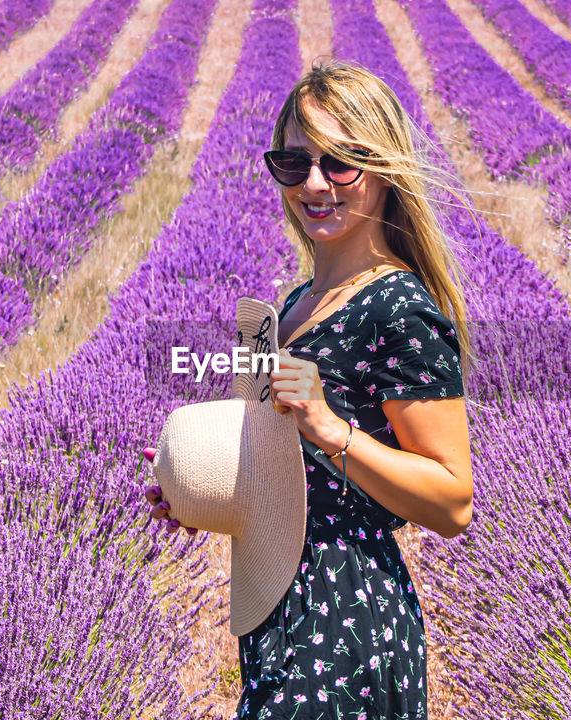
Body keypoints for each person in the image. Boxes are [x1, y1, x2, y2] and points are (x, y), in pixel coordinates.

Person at [146, 59, 474, 719]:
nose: (315, 184)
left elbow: (452, 501)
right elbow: (289, 477)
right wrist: (203, 489)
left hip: (347, 624)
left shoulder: (397, 309)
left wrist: (330, 428)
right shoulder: (297, 303)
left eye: (341, 163)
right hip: (276, 611)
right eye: (295, 165)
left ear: (383, 170)